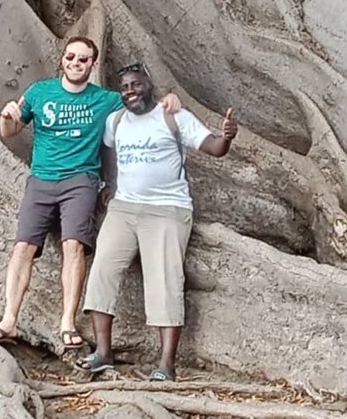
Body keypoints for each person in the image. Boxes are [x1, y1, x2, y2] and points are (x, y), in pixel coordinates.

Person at [0, 39, 180, 348]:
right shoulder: (39, 92)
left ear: (93, 65)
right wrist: (6, 117)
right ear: (62, 60)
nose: (76, 62)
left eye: (84, 59)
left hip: (81, 181)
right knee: (23, 247)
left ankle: (67, 322)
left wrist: (169, 100)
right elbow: (10, 132)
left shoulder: (106, 100)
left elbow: (141, 106)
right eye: (71, 57)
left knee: (73, 246)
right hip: (41, 179)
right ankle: (9, 320)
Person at [77, 63, 237, 379]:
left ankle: (166, 365)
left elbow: (214, 149)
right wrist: (109, 184)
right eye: (124, 87)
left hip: (167, 209)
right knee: (102, 271)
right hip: (123, 209)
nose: (130, 91)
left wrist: (227, 137)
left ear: (150, 86)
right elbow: (108, 150)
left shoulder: (174, 116)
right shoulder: (116, 120)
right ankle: (103, 352)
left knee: (164, 281)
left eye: (136, 85)